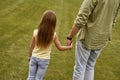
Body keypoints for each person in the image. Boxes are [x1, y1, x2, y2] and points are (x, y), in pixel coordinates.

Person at [66, 0, 120, 80]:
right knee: (90, 66)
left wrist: (70, 37)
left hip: (87, 38)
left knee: (80, 68)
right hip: (102, 37)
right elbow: (114, 18)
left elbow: (81, 19)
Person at [27, 10, 72, 80]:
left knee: (31, 77)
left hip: (34, 57)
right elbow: (60, 48)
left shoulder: (36, 32)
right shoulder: (53, 35)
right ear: (53, 23)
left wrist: (30, 56)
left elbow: (31, 46)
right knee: (38, 78)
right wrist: (69, 47)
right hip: (44, 60)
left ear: (42, 20)